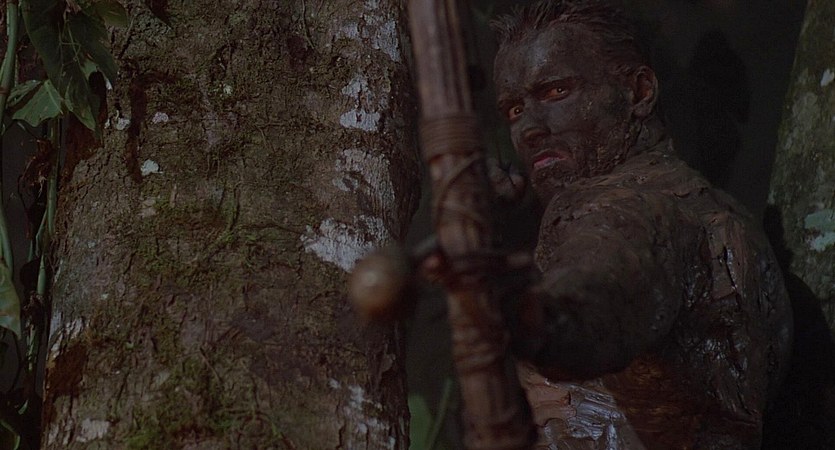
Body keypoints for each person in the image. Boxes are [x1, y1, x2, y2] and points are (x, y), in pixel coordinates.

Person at [490, 1, 793, 448]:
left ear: (638, 91)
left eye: (556, 92)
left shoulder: (621, 207)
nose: (530, 128)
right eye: (515, 110)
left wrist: (521, 308)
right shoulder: (718, 216)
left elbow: (600, 289)